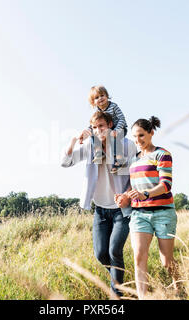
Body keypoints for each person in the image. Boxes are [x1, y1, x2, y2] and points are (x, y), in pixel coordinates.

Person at [62, 111, 136, 298]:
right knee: (101, 253)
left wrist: (128, 195)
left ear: (110, 125)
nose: (98, 130)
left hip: (122, 209)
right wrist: (73, 141)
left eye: (101, 126)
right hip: (101, 210)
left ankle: (117, 295)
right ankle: (119, 280)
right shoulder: (90, 147)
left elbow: (136, 175)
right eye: (94, 127)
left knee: (114, 251)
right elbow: (66, 162)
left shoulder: (126, 146)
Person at [123, 116, 181, 300]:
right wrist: (124, 196)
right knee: (139, 256)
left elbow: (166, 185)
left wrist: (146, 194)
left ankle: (179, 288)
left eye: (141, 135)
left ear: (151, 133)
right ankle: (143, 297)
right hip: (139, 214)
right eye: (134, 136)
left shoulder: (162, 155)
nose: (138, 140)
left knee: (167, 262)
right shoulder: (133, 160)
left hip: (163, 213)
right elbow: (133, 187)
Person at [78, 85, 128, 174]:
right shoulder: (98, 113)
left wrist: (116, 130)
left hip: (120, 128)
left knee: (114, 139)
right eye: (97, 97)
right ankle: (99, 152)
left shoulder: (113, 106)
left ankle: (120, 160)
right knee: (94, 133)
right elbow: (92, 125)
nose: (100, 98)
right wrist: (84, 133)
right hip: (108, 130)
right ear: (93, 102)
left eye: (102, 95)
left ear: (107, 96)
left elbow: (122, 119)